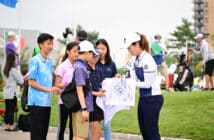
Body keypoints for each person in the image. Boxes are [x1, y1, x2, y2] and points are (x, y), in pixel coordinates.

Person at [123, 32, 164, 140]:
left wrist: (130, 83)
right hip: (144, 98)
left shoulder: (147, 59)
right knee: (144, 131)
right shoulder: (136, 59)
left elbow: (147, 84)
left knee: (151, 132)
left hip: (153, 98)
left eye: (129, 47)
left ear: (137, 44)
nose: (128, 50)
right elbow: (133, 80)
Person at [28, 33, 61, 140]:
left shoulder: (49, 62)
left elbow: (48, 82)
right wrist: (49, 89)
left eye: (51, 44)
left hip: (47, 102)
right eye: (48, 43)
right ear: (40, 44)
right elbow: (31, 82)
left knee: (43, 134)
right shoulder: (35, 60)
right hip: (36, 103)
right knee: (37, 135)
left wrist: (54, 89)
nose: (50, 46)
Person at [73, 40, 97, 140]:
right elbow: (79, 89)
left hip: (81, 107)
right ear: (87, 52)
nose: (93, 56)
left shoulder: (82, 66)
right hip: (81, 108)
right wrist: (84, 109)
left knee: (77, 135)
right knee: (80, 137)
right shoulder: (80, 67)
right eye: (92, 53)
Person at [95, 39, 119, 140]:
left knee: (107, 125)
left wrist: (117, 76)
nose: (101, 51)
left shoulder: (112, 64)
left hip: (108, 98)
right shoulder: (93, 63)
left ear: (107, 49)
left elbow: (115, 77)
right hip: (96, 97)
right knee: (94, 126)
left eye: (103, 49)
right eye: (98, 49)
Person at [54, 42, 79, 140]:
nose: (76, 53)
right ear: (68, 51)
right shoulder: (62, 66)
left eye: (78, 51)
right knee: (62, 126)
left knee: (73, 127)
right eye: (74, 51)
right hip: (64, 101)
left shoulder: (78, 66)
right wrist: (67, 84)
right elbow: (57, 84)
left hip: (75, 101)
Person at [3, 53, 24, 131]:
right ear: (12, 60)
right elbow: (21, 81)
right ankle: (11, 126)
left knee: (7, 110)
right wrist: (22, 77)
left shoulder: (5, 69)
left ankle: (6, 126)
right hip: (12, 93)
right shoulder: (14, 70)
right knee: (11, 110)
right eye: (16, 59)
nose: (17, 60)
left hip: (6, 93)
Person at [88, 50, 105, 140]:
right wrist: (96, 93)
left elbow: (99, 85)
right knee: (97, 131)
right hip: (89, 104)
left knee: (97, 133)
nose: (95, 58)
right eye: (93, 56)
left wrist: (101, 90)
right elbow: (83, 89)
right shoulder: (85, 69)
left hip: (98, 104)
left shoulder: (99, 70)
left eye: (97, 56)